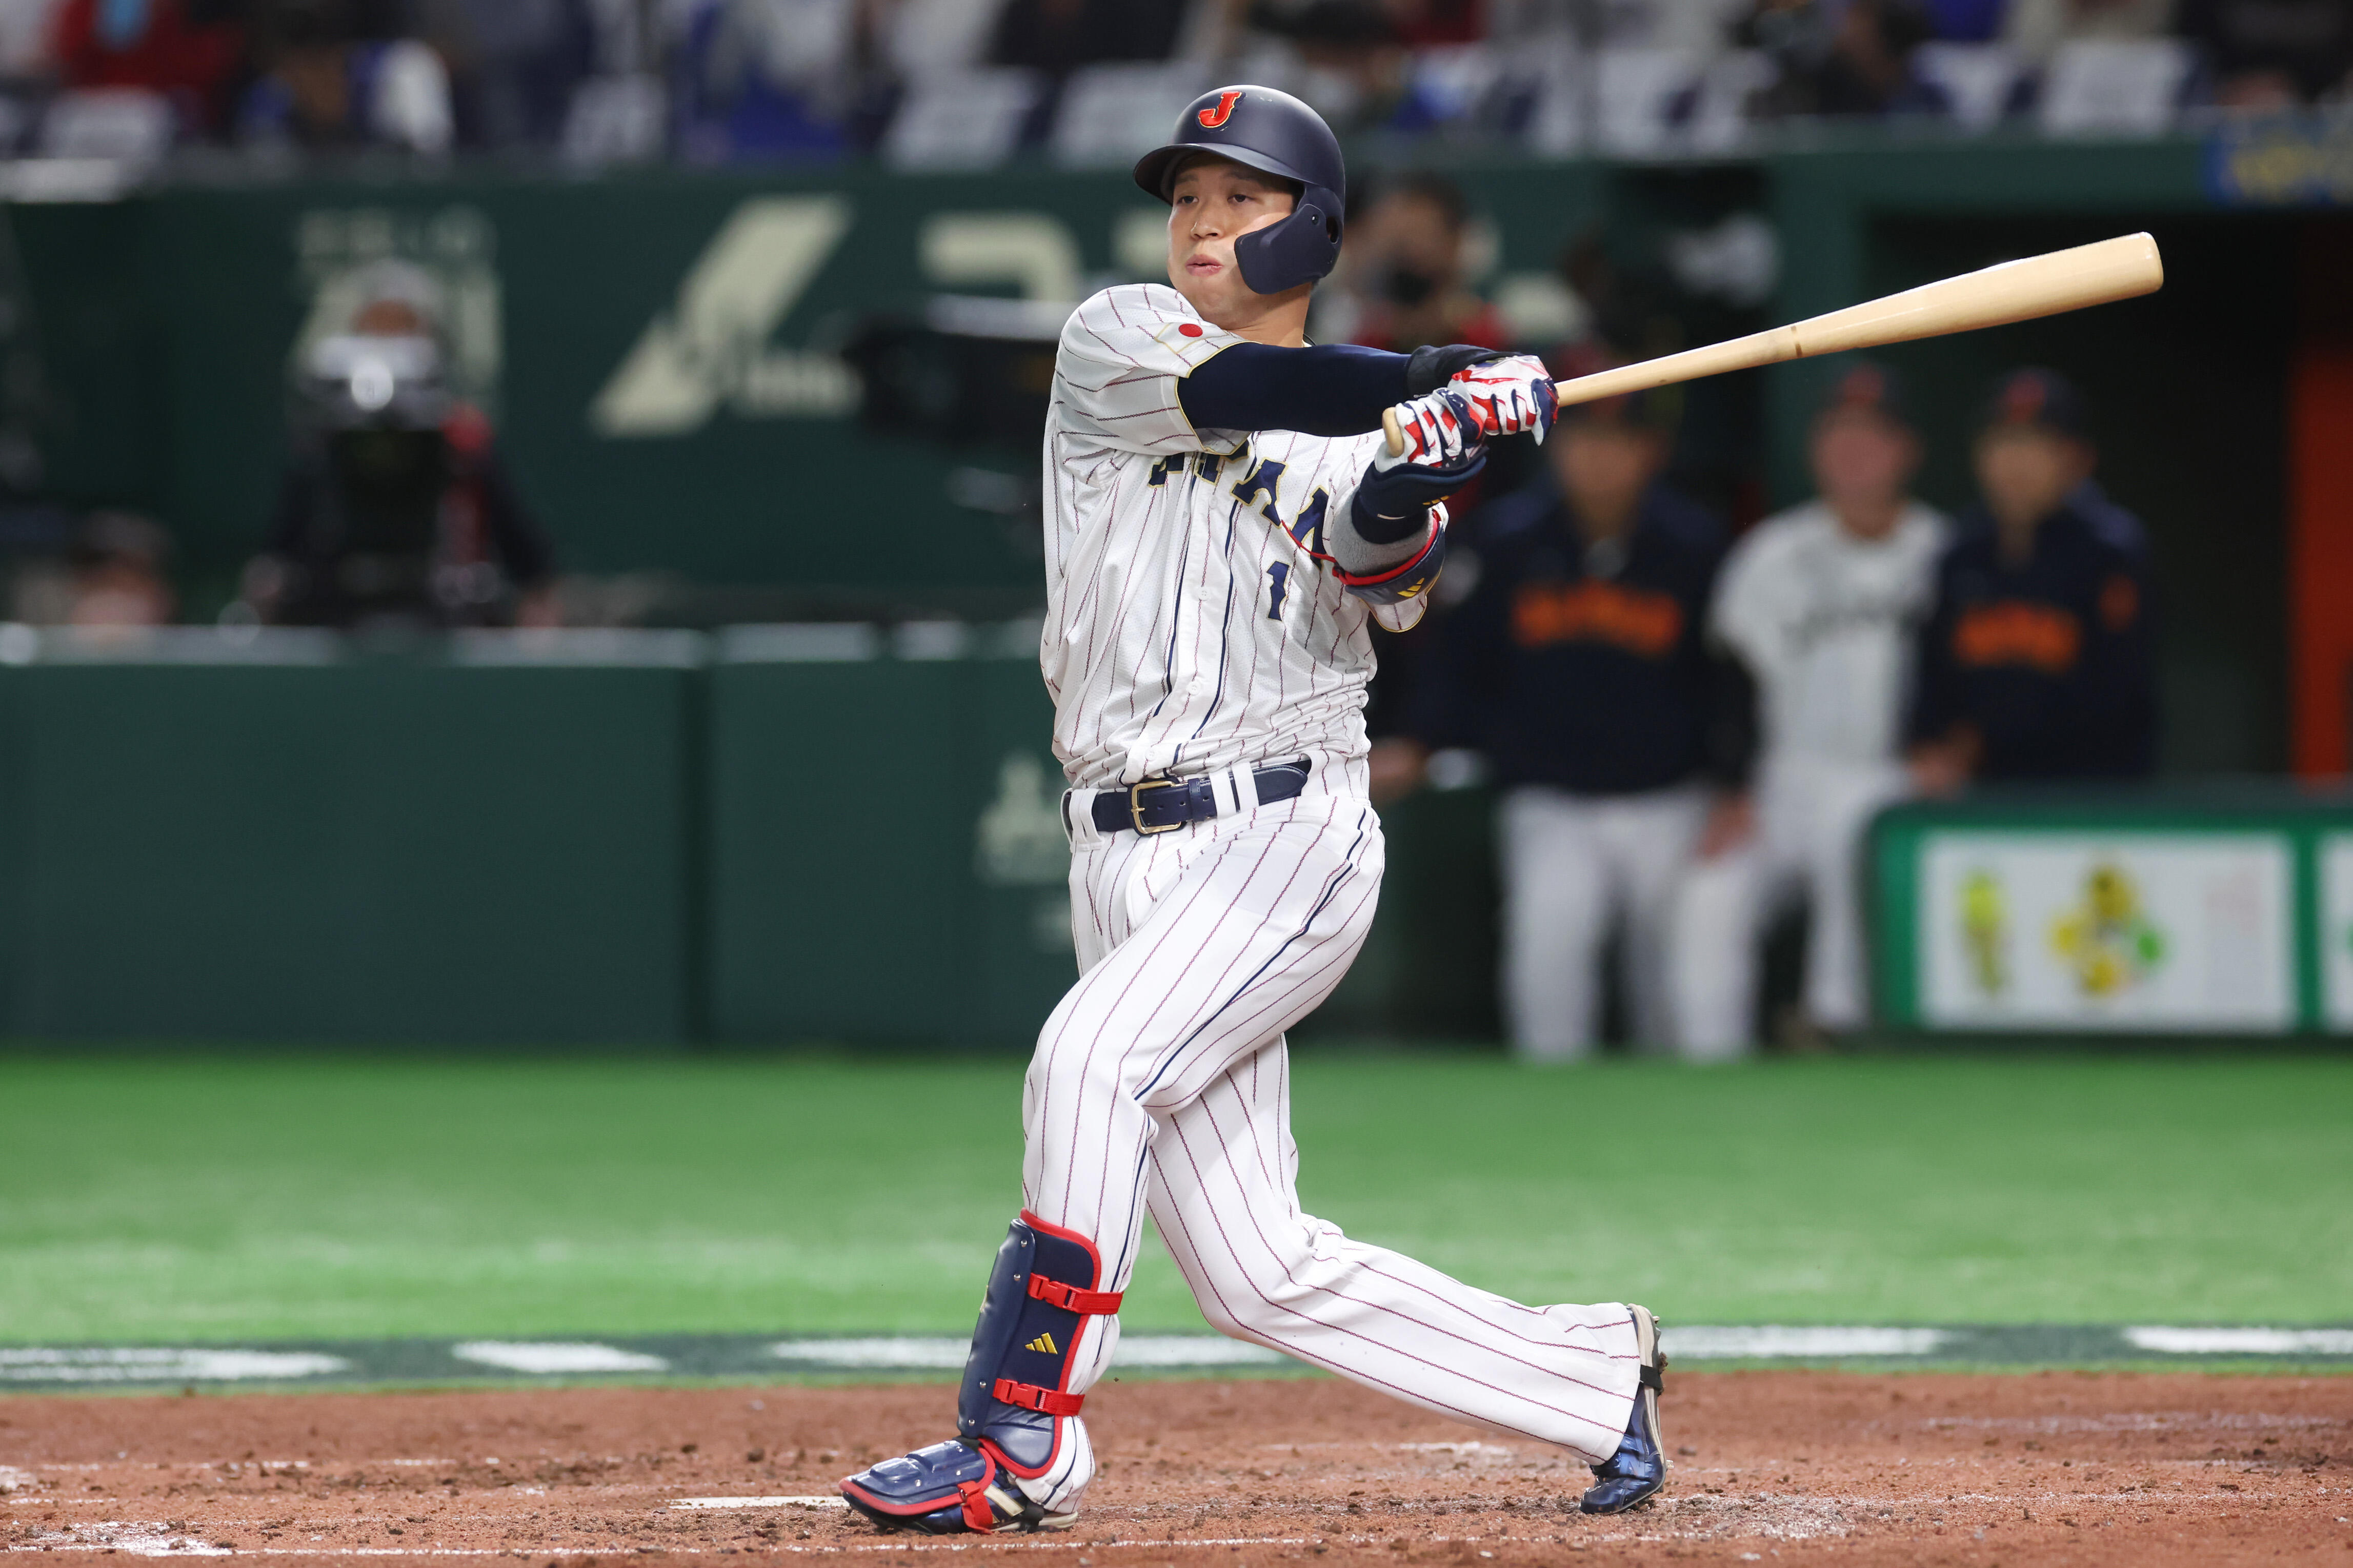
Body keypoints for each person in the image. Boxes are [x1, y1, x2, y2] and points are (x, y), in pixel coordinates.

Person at [837, 84, 1667, 1537]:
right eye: (1189, 200)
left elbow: (1375, 567)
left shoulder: (1368, 431)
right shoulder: (1117, 339)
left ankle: (1018, 1435)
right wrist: (1433, 373)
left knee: (1088, 1062)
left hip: (1281, 834)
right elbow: (1252, 396)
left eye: (1244, 199)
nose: (1205, 223)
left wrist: (1420, 460)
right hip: (1121, 844)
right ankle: (1591, 1378)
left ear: (1317, 228)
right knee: (1251, 1269)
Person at [1377, 373, 1730, 1060]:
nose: (1597, 456)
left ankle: (1689, 1130)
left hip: (1669, 798)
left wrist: (1730, 779)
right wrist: (1421, 741)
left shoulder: (1694, 545)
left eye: (1617, 439)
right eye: (1582, 438)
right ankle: (1550, 1122)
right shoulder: (1507, 540)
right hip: (1550, 799)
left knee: (1671, 985)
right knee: (1547, 962)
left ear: (1648, 450)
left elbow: (1725, 678)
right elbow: (1458, 662)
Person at [1666, 363, 1948, 1057]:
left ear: (1906, 451)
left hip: (1891, 775)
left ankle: (1834, 1028)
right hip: (1782, 778)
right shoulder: (1772, 552)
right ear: (1816, 448)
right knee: (1710, 893)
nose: (1853, 450)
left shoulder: (1944, 551)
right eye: (1838, 433)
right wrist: (1733, 787)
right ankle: (1708, 1064)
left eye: (1872, 435)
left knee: (1854, 836)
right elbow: (1730, 677)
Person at [241, 264, 558, 630]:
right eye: (376, 328)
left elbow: (531, 564)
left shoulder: (464, 444)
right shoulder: (321, 447)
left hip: (447, 626)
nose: (389, 342)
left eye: (404, 329)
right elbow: (276, 560)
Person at [1906, 367, 2156, 786]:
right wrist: (1935, 744)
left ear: (2077, 459)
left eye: (2035, 443)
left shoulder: (2110, 553)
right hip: (1975, 796)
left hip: (2085, 798)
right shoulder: (1960, 551)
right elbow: (1932, 681)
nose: (2014, 461)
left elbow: (2118, 703)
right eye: (2002, 441)